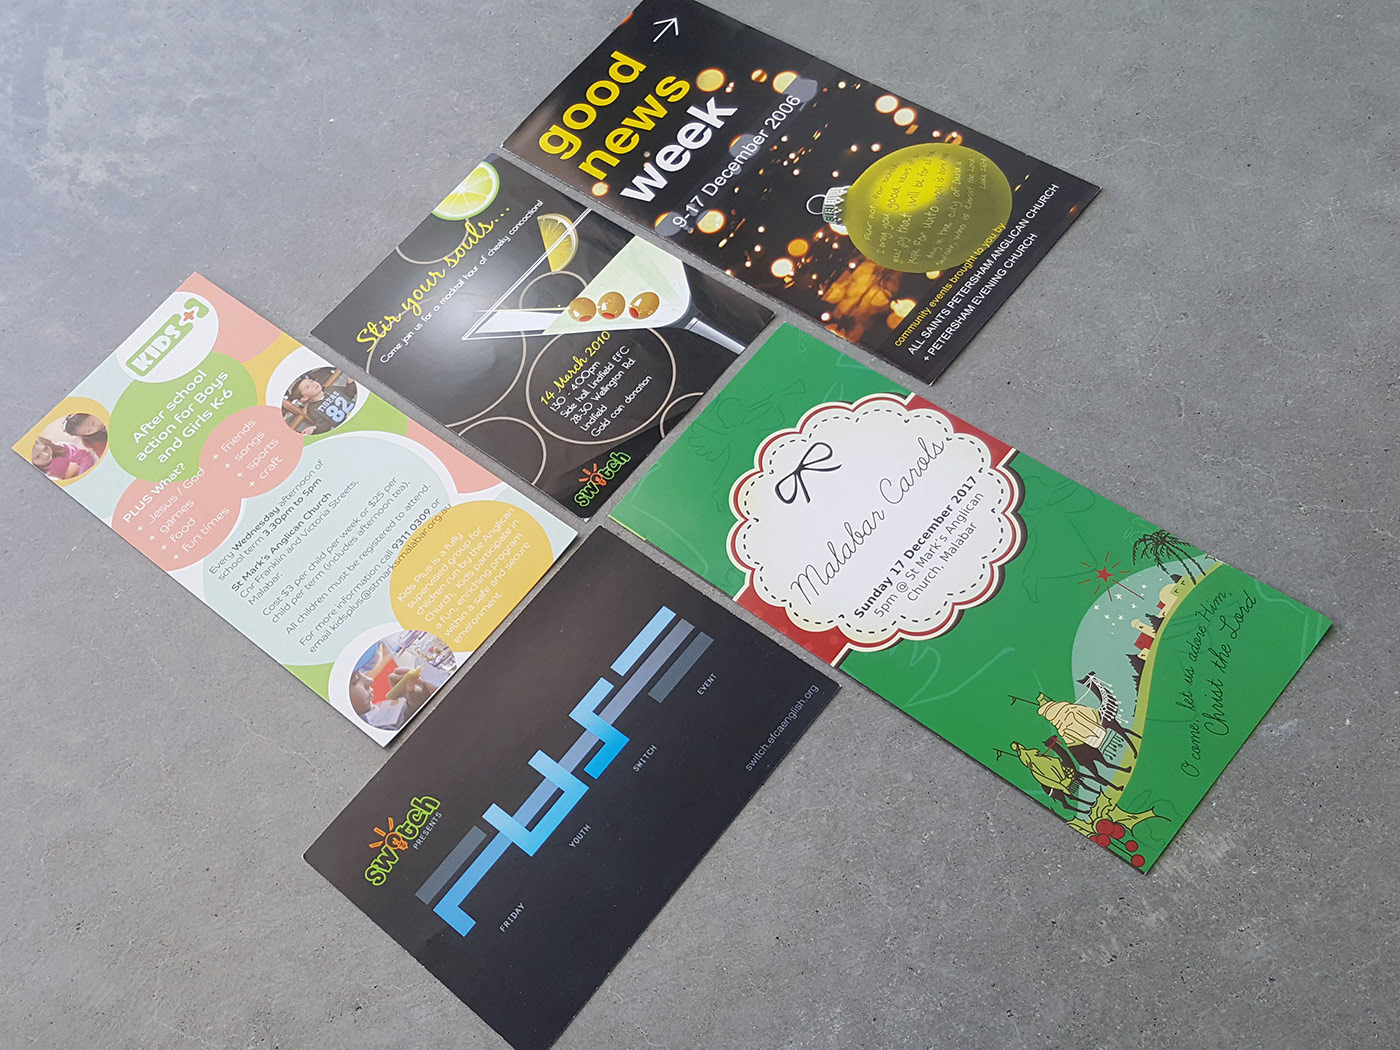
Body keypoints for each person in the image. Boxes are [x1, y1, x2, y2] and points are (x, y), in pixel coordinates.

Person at [347, 642, 434, 730]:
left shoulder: (365, 715)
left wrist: (414, 703)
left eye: (361, 673)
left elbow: (390, 727)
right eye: (355, 680)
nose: (369, 680)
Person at [287, 372, 355, 435]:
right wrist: (315, 428)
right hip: (347, 426)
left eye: (311, 381)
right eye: (307, 387)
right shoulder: (312, 409)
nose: (313, 385)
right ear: (304, 398)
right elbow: (324, 425)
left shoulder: (330, 389)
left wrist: (350, 383)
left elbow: (349, 393)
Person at [31, 436, 96, 480]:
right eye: (37, 457)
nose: (46, 455)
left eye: (45, 449)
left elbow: (84, 457)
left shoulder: (60, 449)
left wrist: (82, 475)